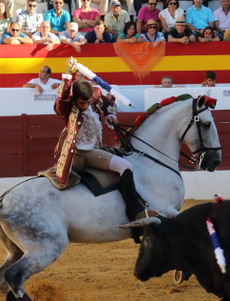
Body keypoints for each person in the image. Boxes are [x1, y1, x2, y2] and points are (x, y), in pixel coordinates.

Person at [54, 57, 156, 221]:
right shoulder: (68, 101)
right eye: (82, 103)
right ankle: (134, 211)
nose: (86, 106)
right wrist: (67, 72)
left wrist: (110, 115)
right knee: (126, 166)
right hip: (81, 152)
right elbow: (62, 97)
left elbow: (108, 103)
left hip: (96, 148)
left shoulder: (94, 93)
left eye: (88, 103)